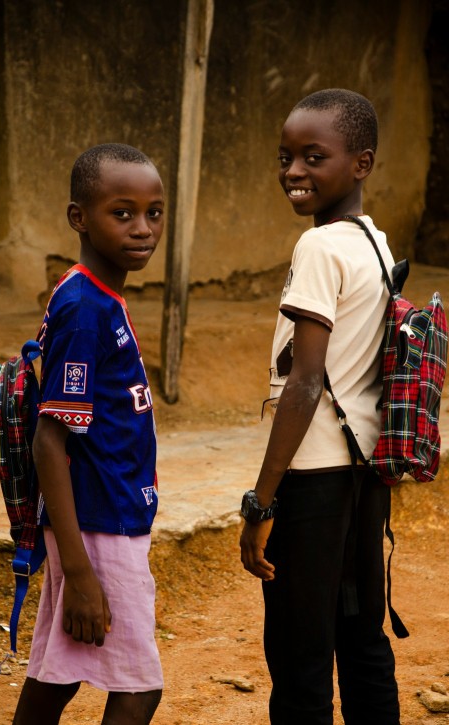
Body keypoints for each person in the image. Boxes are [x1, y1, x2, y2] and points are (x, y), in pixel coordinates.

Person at [240, 89, 401, 724]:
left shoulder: (319, 248)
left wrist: (261, 502)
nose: (294, 172)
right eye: (285, 157)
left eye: (314, 157)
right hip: (364, 476)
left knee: (300, 656)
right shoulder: (377, 245)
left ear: (360, 163)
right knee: (362, 639)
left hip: (311, 482)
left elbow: (305, 382)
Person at [13, 143, 165, 725]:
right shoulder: (83, 307)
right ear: (79, 218)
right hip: (101, 525)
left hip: (108, 516)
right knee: (138, 688)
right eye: (122, 213)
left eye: (153, 212)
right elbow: (50, 441)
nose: (142, 228)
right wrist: (79, 573)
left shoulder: (102, 296)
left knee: (60, 671)